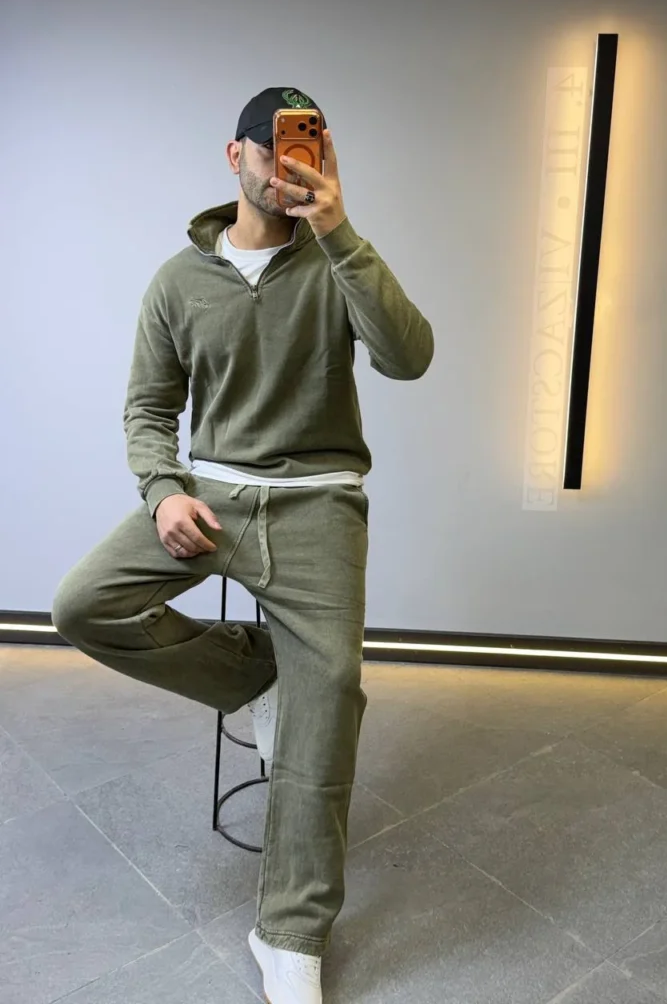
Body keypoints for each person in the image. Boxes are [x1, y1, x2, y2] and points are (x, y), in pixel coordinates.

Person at [52, 87, 434, 1004]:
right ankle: (254, 673)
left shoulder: (338, 260)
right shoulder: (177, 281)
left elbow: (409, 356)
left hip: (318, 503)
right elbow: (149, 409)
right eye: (273, 149)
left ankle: (291, 931)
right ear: (237, 157)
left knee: (331, 692)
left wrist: (339, 231)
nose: (288, 165)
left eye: (308, 148)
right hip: (213, 497)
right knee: (82, 605)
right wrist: (163, 492)